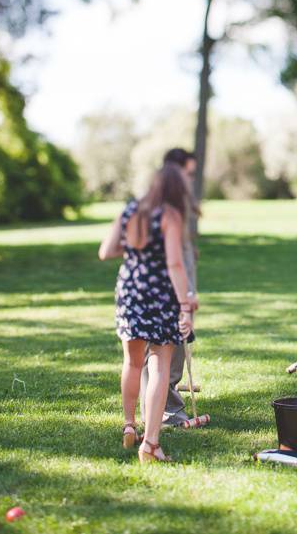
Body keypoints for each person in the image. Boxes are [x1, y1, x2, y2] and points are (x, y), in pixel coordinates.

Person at [98, 163, 196, 463]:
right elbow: (175, 265)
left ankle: (130, 424)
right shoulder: (170, 215)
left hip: (129, 291)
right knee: (160, 365)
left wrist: (134, 251)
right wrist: (185, 303)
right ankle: (151, 444)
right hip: (159, 295)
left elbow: (106, 251)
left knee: (132, 361)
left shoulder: (131, 210)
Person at [138, 148, 200, 428]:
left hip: (175, 287)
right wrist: (185, 295)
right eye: (188, 174)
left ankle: (158, 412)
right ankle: (168, 413)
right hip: (167, 290)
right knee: (165, 356)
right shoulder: (165, 208)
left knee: (167, 354)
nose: (190, 180)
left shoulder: (175, 205)